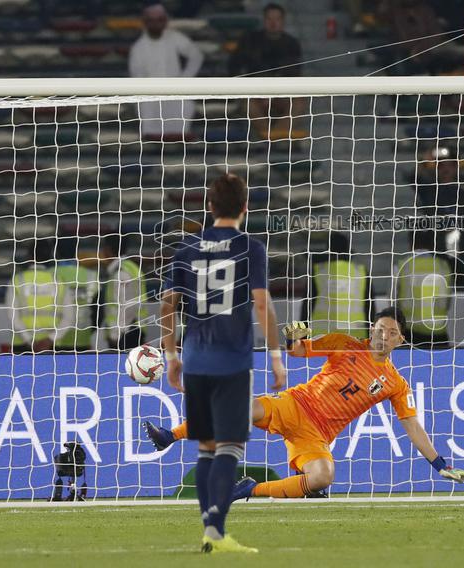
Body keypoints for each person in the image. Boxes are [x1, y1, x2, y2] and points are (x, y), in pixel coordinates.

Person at [145, 309, 464, 504]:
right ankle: (169, 436)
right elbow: (299, 351)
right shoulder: (343, 344)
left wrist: (439, 464)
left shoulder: (395, 384)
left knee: (323, 476)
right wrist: (292, 338)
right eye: (379, 328)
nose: (383, 335)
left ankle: (248, 490)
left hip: (316, 434)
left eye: (391, 332)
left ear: (401, 339)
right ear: (370, 329)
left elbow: (412, 425)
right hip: (294, 404)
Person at [159, 173, 287, 554]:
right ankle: (215, 529)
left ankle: (209, 528)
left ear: (209, 207)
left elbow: (167, 306)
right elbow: (262, 304)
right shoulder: (251, 247)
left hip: (196, 359)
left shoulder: (185, 249)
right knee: (230, 447)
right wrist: (277, 357)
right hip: (233, 361)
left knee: (205, 448)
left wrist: (171, 355)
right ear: (245, 208)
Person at [228, 3, 305, 139]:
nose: (273, 23)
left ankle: (276, 136)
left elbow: (294, 73)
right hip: (254, 91)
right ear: (264, 21)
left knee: (298, 103)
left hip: (282, 92)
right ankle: (268, 136)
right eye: (269, 19)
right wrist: (255, 89)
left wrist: (275, 93)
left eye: (277, 19)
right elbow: (235, 67)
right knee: (248, 104)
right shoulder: (249, 40)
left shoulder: (292, 44)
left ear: (283, 21)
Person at [128, 3, 204, 140]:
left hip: (175, 89)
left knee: (185, 104)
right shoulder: (138, 47)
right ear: (145, 23)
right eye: (152, 21)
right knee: (145, 104)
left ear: (165, 21)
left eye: (159, 20)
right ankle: (152, 139)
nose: (156, 24)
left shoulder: (174, 37)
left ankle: (179, 138)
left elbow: (196, 55)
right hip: (150, 92)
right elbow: (137, 74)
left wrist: (185, 78)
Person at [6, 238, 76, 353]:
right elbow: (69, 318)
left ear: (29, 256)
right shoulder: (59, 282)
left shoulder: (17, 280)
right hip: (52, 346)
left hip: (22, 346)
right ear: (50, 257)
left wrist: (29, 340)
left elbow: (13, 317)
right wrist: (50, 339)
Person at [303, 232, 372, 340]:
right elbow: (370, 306)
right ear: (348, 249)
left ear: (328, 249)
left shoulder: (318, 271)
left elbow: (307, 306)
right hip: (355, 336)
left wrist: (302, 336)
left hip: (322, 336)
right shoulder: (360, 272)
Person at [394, 230, 453, 348]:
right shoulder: (444, 266)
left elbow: (392, 301)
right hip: (438, 334)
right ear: (432, 244)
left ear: (411, 243)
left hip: (410, 333)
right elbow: (448, 302)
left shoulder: (402, 266)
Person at [101, 234, 149, 351]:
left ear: (107, 250)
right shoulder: (131, 267)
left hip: (125, 333)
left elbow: (126, 305)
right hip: (133, 328)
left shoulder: (121, 272)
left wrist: (115, 334)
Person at [53, 237, 97, 352]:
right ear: (76, 251)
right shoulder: (91, 275)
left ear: (56, 251)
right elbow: (99, 310)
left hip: (54, 339)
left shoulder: (49, 275)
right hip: (82, 338)